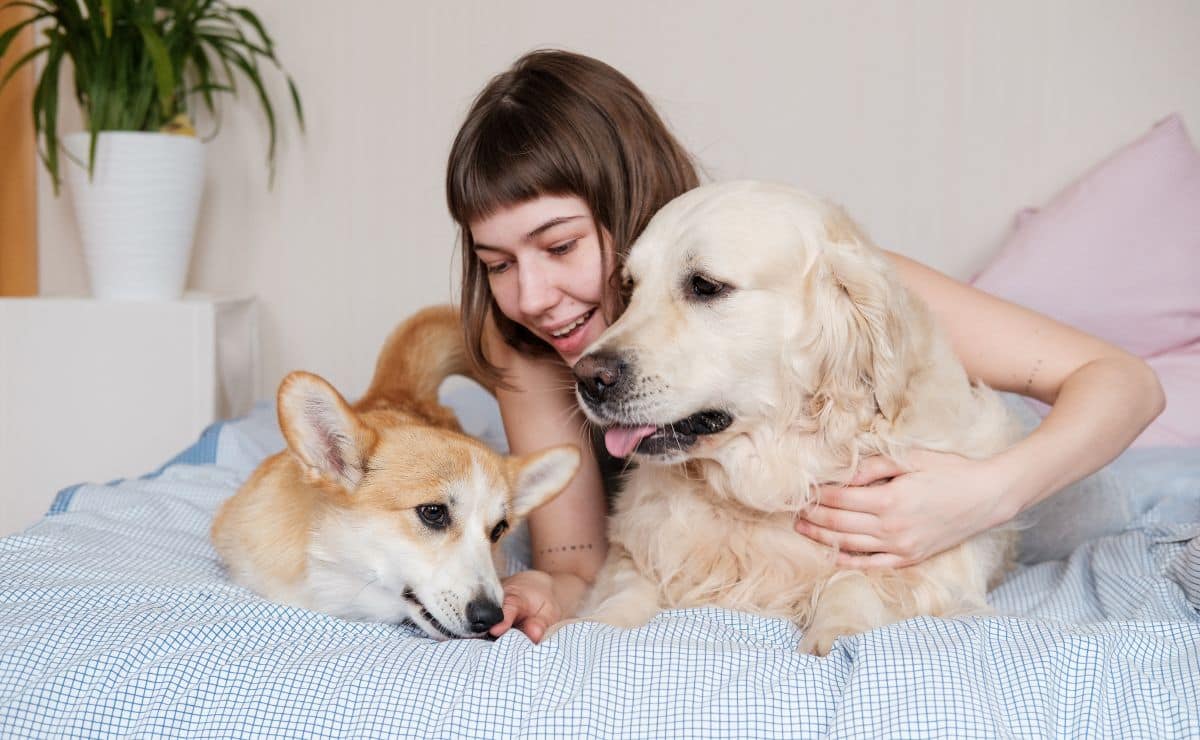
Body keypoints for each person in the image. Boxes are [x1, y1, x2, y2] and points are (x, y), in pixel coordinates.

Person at [444, 50, 1165, 643]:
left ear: (629, 206)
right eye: (498, 263)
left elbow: (1122, 380)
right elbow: (575, 559)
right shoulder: (527, 345)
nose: (531, 295)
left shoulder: (823, 268)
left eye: (560, 245)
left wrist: (984, 495)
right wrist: (543, 586)